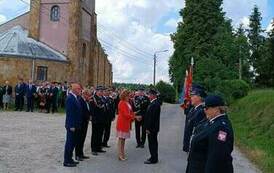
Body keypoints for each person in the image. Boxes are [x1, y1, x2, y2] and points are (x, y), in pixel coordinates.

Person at [186, 95, 234, 173]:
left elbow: (216, 159)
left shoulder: (221, 128)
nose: (204, 110)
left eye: (206, 108)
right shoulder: (213, 121)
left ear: (217, 109)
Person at [63, 83, 83, 167]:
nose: (80, 90)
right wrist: (71, 126)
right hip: (72, 126)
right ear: (74, 89)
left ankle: (70, 159)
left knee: (73, 143)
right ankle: (67, 161)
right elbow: (70, 113)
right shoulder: (70, 98)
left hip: (76, 124)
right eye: (79, 89)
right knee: (70, 143)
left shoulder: (75, 97)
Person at [183, 86, 207, 152]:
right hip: (190, 143)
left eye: (193, 96)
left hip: (194, 146)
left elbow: (197, 132)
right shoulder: (194, 109)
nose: (191, 98)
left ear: (199, 97)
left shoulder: (201, 111)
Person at [116, 90, 135, 161]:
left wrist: (134, 115)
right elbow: (125, 114)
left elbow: (130, 112)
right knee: (121, 139)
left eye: (129, 95)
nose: (129, 97)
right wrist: (134, 117)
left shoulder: (127, 103)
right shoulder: (122, 103)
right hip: (122, 123)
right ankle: (120, 155)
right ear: (124, 96)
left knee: (123, 139)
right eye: (128, 95)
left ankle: (122, 153)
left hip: (126, 122)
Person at [144, 89, 161, 164]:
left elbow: (152, 118)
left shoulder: (155, 104)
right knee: (153, 143)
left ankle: (153, 159)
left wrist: (148, 128)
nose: (148, 96)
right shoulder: (153, 103)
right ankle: (153, 157)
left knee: (152, 143)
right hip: (153, 128)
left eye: (150, 94)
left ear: (153, 95)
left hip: (152, 128)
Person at [75, 89, 92, 161]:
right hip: (81, 123)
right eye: (88, 95)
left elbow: (87, 111)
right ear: (84, 94)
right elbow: (81, 113)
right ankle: (77, 155)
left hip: (85, 123)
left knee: (82, 139)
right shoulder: (80, 101)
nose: (90, 97)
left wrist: (89, 116)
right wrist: (88, 117)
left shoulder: (86, 101)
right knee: (79, 139)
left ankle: (81, 154)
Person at [90, 86, 107, 155]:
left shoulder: (102, 98)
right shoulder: (93, 98)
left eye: (102, 91)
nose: (101, 92)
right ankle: (94, 149)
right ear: (96, 91)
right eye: (100, 91)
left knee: (100, 134)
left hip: (102, 119)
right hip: (96, 119)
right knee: (95, 134)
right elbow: (92, 110)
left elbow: (104, 108)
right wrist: (93, 119)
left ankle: (99, 147)